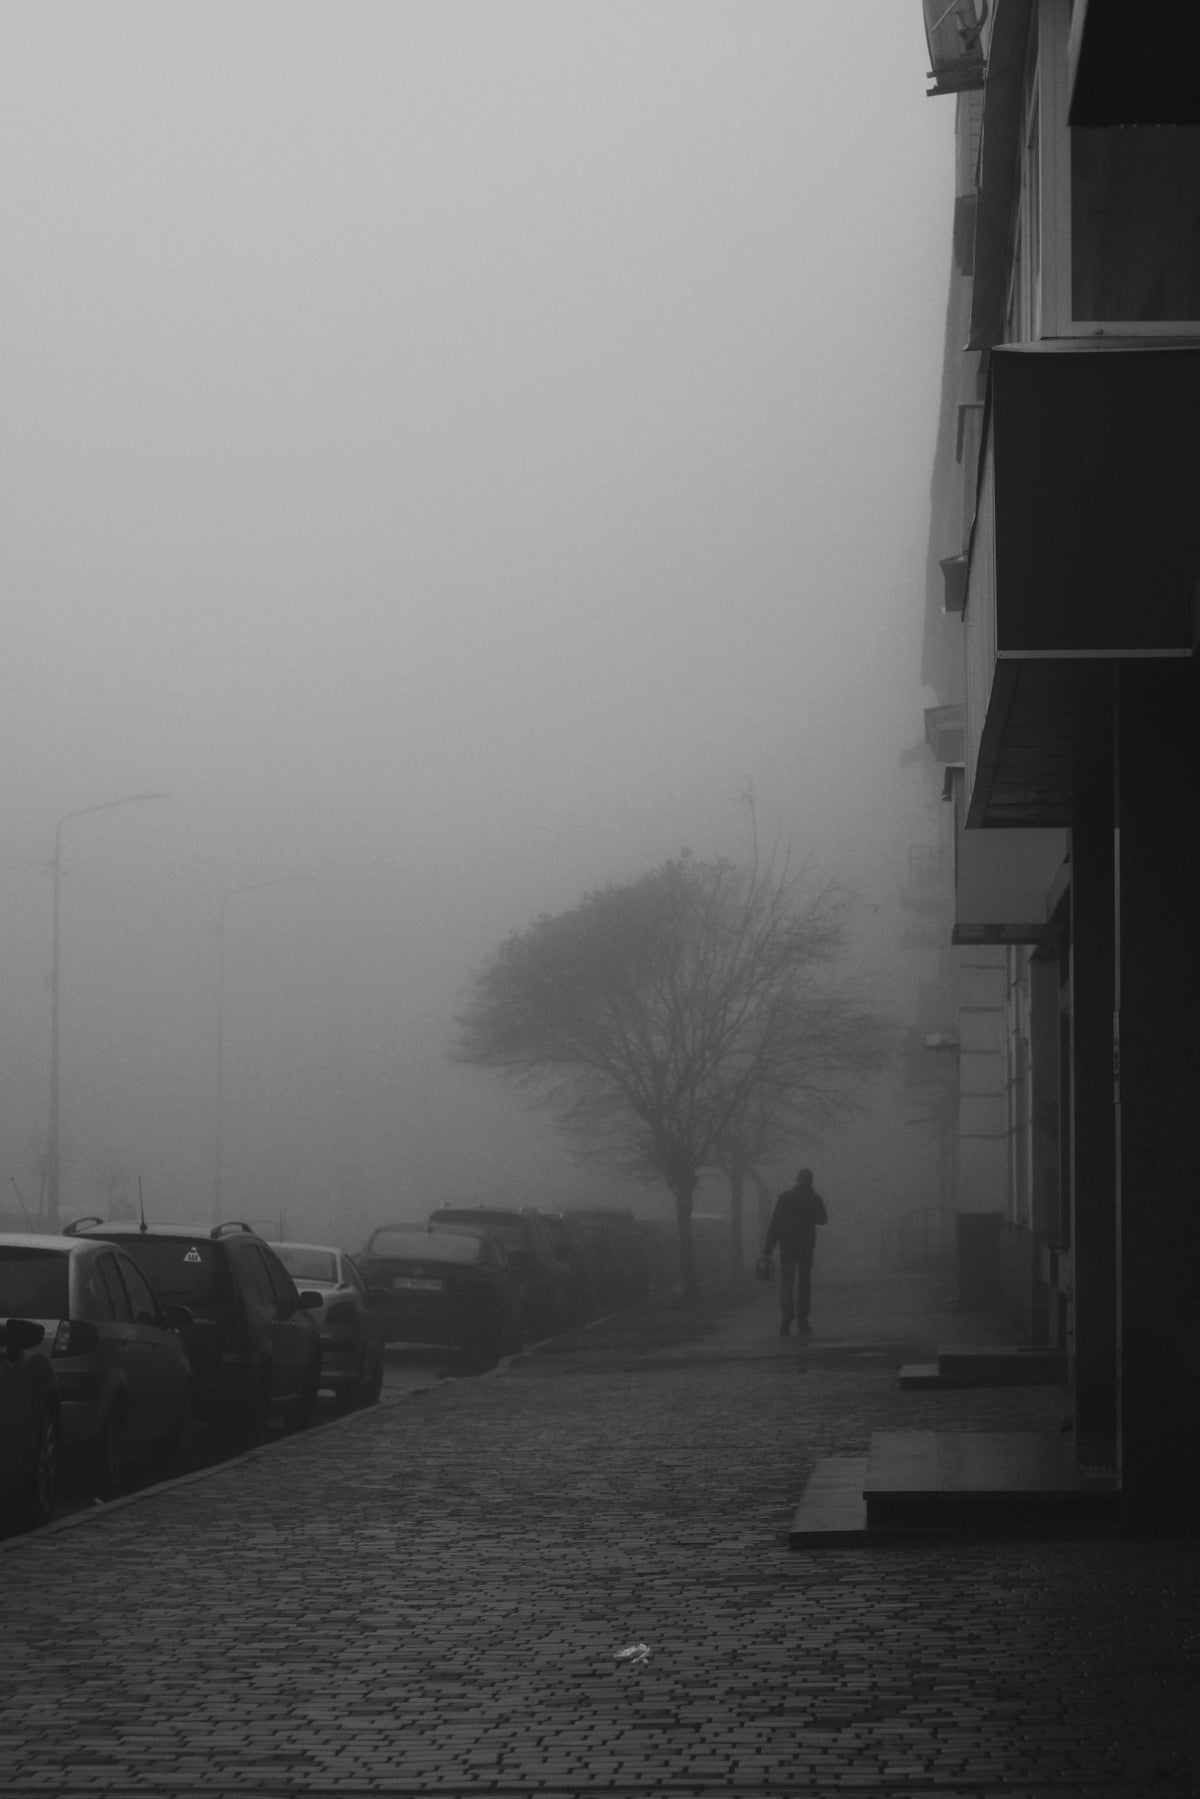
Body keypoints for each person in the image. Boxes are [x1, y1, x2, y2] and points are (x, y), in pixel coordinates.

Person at [762, 1167, 828, 1336]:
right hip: (806, 1246)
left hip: (788, 1246)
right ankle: (802, 1320)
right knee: (804, 1283)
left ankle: (787, 1314)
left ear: (797, 1179)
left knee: (787, 1281)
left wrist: (768, 1249)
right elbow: (823, 1219)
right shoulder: (814, 1199)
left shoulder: (785, 1198)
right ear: (811, 1180)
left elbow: (775, 1223)